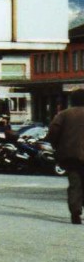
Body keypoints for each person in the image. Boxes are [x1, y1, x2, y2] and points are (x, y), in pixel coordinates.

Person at [46, 89, 84, 224]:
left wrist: (57, 146)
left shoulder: (64, 115)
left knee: (75, 183)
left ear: (72, 101)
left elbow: (53, 132)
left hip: (70, 155)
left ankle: (75, 212)